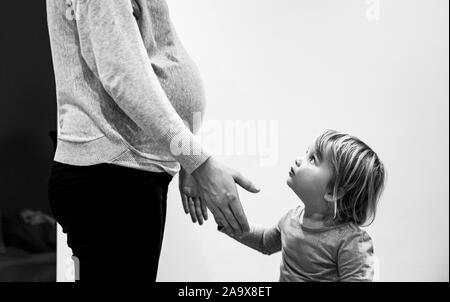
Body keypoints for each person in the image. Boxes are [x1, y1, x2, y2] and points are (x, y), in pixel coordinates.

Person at [46, 0, 259, 282]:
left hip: (125, 169)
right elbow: (123, 76)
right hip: (111, 173)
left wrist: (184, 156)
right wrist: (199, 163)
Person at [218, 130, 386, 282]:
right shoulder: (291, 219)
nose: (299, 160)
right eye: (307, 153)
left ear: (333, 192)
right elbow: (264, 241)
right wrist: (227, 220)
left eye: (313, 159)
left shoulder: (351, 242)